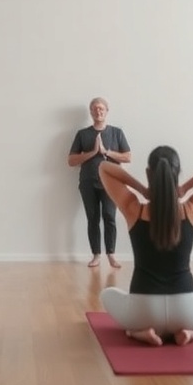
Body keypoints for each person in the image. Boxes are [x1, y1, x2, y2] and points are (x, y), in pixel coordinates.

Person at [97, 146, 193, 346]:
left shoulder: (134, 210)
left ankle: (138, 333)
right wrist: (185, 188)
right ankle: (187, 332)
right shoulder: (192, 209)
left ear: (149, 174)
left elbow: (104, 167)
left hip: (143, 311)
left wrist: (142, 189)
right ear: (177, 173)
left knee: (107, 294)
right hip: (186, 312)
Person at [68, 97, 132, 268]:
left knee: (110, 217)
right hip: (88, 182)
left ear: (106, 111)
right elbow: (71, 161)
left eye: (101, 108)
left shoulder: (117, 132)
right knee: (93, 218)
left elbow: (127, 157)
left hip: (111, 183)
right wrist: (93, 152)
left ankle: (111, 254)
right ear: (91, 111)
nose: (98, 111)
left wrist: (106, 151)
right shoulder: (83, 134)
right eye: (95, 108)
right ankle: (96, 255)